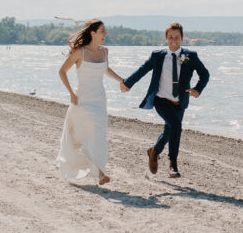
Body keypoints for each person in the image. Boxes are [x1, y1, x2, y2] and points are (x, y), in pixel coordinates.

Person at [121, 22, 210, 178]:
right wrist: (127, 83)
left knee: (169, 131)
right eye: (170, 37)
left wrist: (197, 89)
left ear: (182, 38)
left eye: (176, 37)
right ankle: (173, 165)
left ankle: (154, 151)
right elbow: (143, 70)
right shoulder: (158, 56)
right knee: (176, 125)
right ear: (166, 38)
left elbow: (205, 74)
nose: (173, 40)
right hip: (161, 100)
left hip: (180, 103)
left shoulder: (189, 56)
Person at [56, 19, 125, 185]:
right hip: (83, 100)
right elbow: (62, 71)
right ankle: (79, 164)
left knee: (99, 134)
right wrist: (71, 93)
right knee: (80, 135)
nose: (105, 34)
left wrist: (121, 80)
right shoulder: (80, 52)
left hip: (100, 100)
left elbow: (105, 69)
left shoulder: (104, 52)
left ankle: (101, 173)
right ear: (92, 33)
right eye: (102, 31)